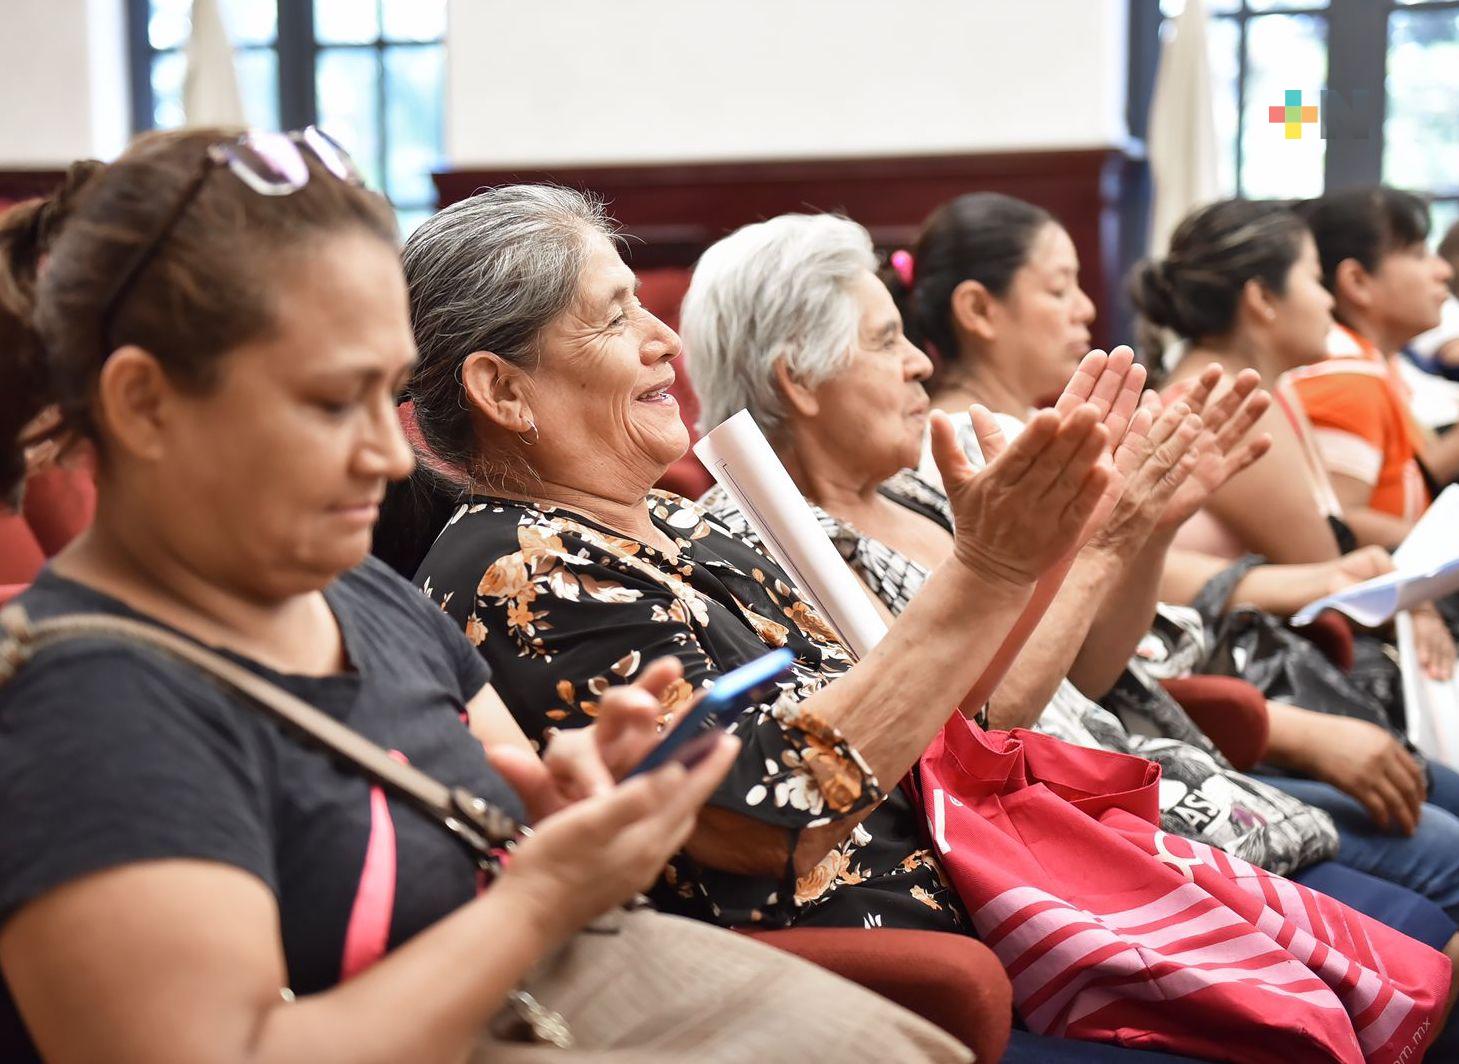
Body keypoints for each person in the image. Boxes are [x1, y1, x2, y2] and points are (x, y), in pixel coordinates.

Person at [384, 186, 1459, 1060]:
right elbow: (773, 804)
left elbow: (942, 714)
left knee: (1401, 985)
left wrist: (1091, 545)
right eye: (617, 315)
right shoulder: (518, 564)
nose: (665, 339)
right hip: (928, 965)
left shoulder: (675, 519)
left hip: (1027, 894)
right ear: (502, 390)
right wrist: (998, 567)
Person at [0, 133, 969, 1064]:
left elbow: (506, 802)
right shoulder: (85, 710)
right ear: (142, 404)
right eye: (333, 402)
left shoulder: (362, 596)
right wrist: (540, 898)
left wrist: (582, 801)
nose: (388, 456)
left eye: (385, 395)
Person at [868, 190, 1459, 925]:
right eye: (1059, 287)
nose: (1087, 309)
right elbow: (1020, 702)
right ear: (978, 311)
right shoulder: (961, 453)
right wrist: (1289, 725)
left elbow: (1098, 655)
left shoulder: (1042, 429)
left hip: (1162, 718)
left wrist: (1145, 530)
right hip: (1131, 752)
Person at [1132, 198, 1456, 680]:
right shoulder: (1227, 400)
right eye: (1313, 278)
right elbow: (1328, 571)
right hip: (1223, 670)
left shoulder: (1264, 388)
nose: (1328, 300)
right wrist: (1416, 602)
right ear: (1262, 299)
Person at [1289, 187, 1456, 545]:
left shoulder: (1373, 365)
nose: (1443, 270)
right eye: (1418, 253)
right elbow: (1338, 523)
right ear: (1357, 282)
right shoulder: (1348, 378)